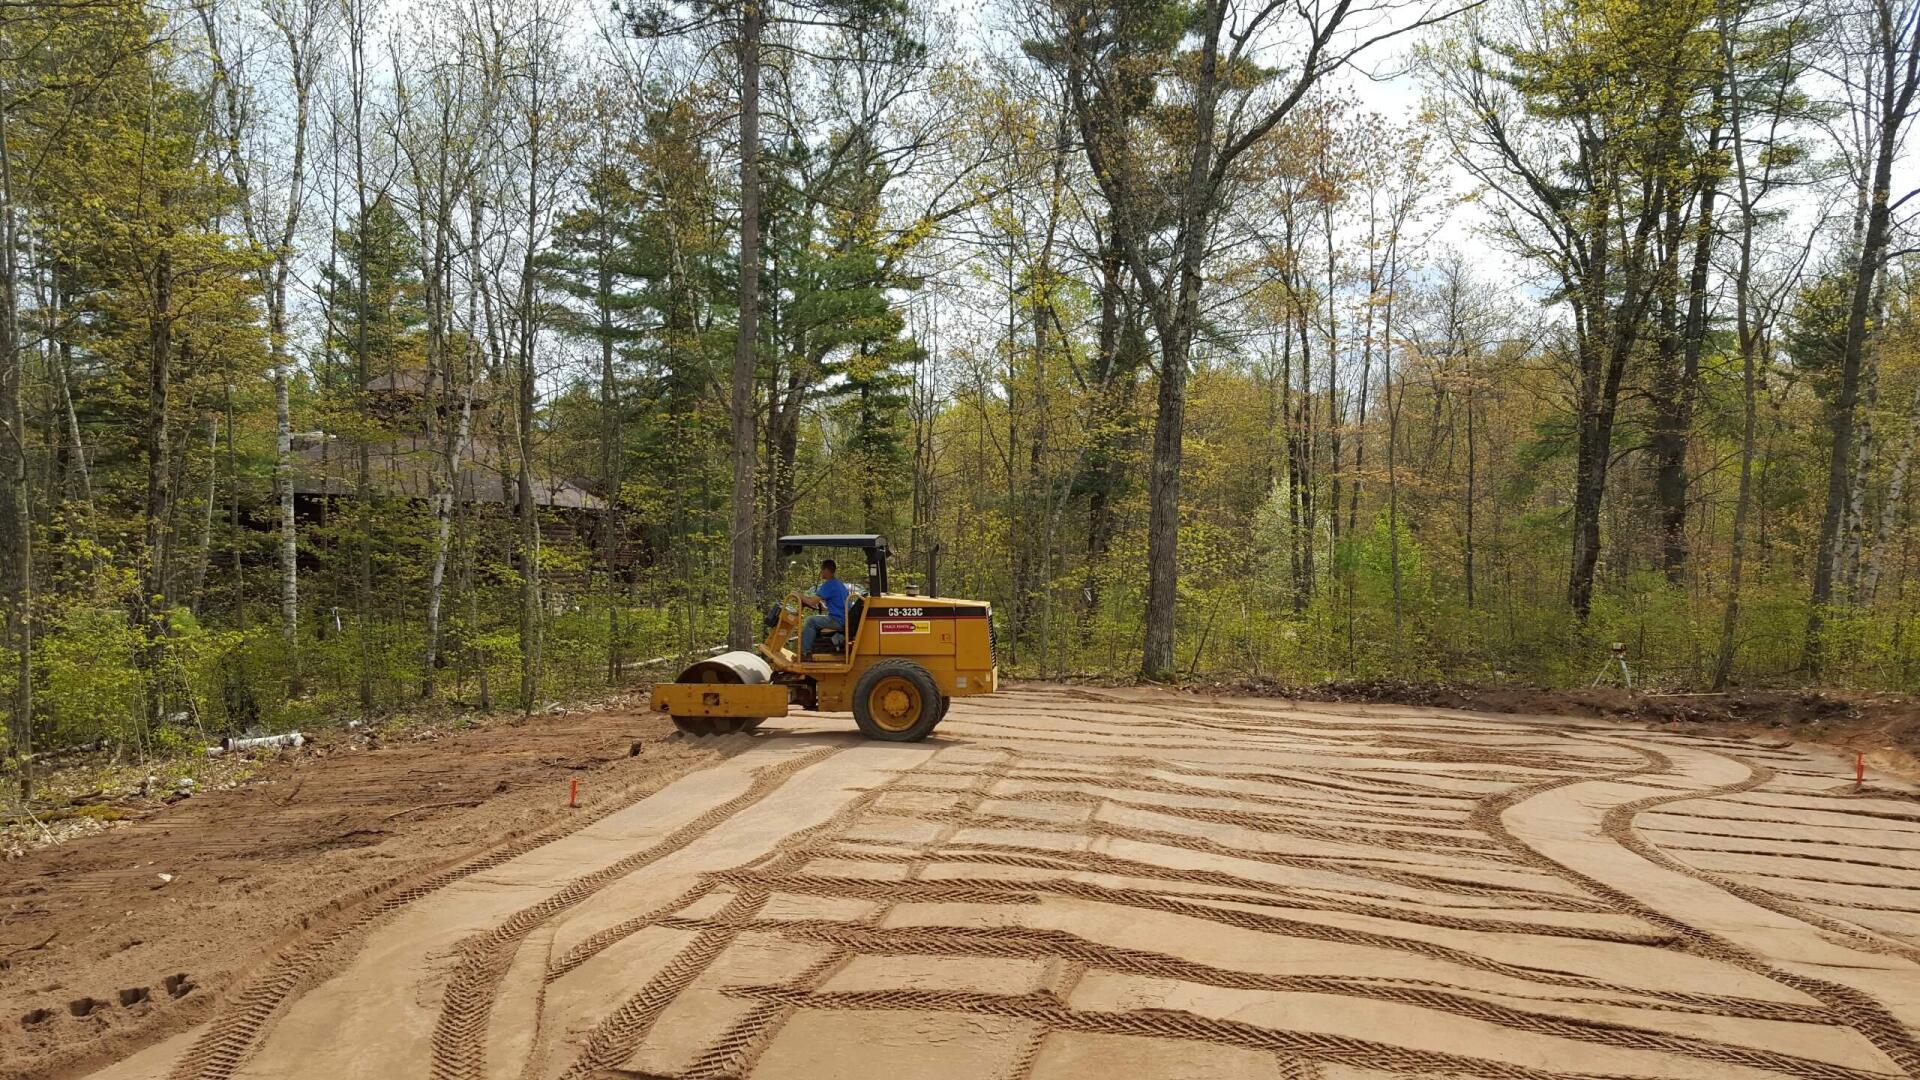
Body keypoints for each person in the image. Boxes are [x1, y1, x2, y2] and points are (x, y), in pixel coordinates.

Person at [799, 558, 849, 659]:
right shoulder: (838, 584)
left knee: (810, 621)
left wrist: (798, 595)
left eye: (821, 570)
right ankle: (814, 649)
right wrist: (823, 605)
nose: (820, 572)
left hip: (838, 620)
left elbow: (811, 601)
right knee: (815, 620)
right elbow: (837, 605)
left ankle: (805, 653)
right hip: (844, 618)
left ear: (826, 570)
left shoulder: (829, 585)